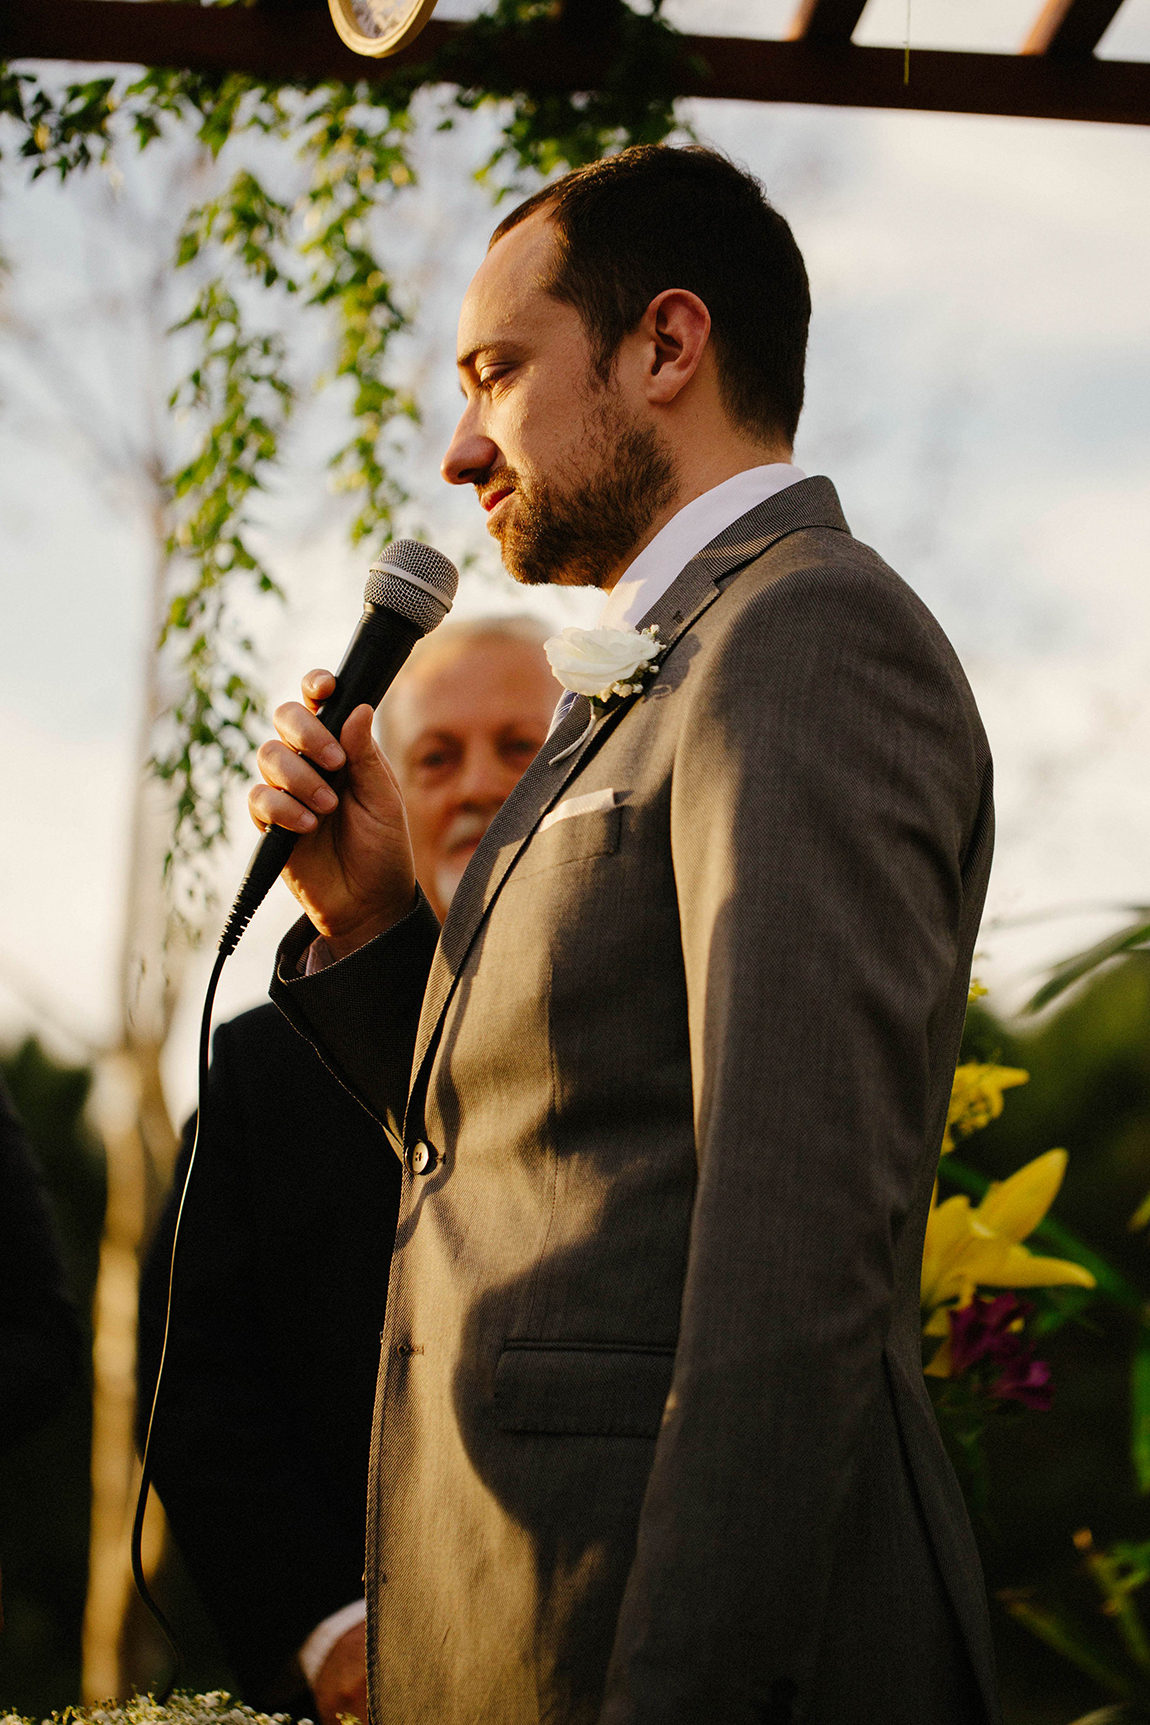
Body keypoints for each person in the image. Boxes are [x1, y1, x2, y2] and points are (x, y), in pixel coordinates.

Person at [252, 145, 1001, 1725]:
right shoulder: (659, 664)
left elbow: (793, 1245)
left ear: (666, 346)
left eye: (495, 373)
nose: (459, 450)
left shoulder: (802, 629)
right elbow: (548, 1155)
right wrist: (380, 919)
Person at [137, 619, 559, 1721]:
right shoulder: (261, 1068)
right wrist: (324, 1630)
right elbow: (201, 1389)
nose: (476, 786)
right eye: (436, 756)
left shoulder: (673, 1014)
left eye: (520, 747)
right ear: (381, 787)